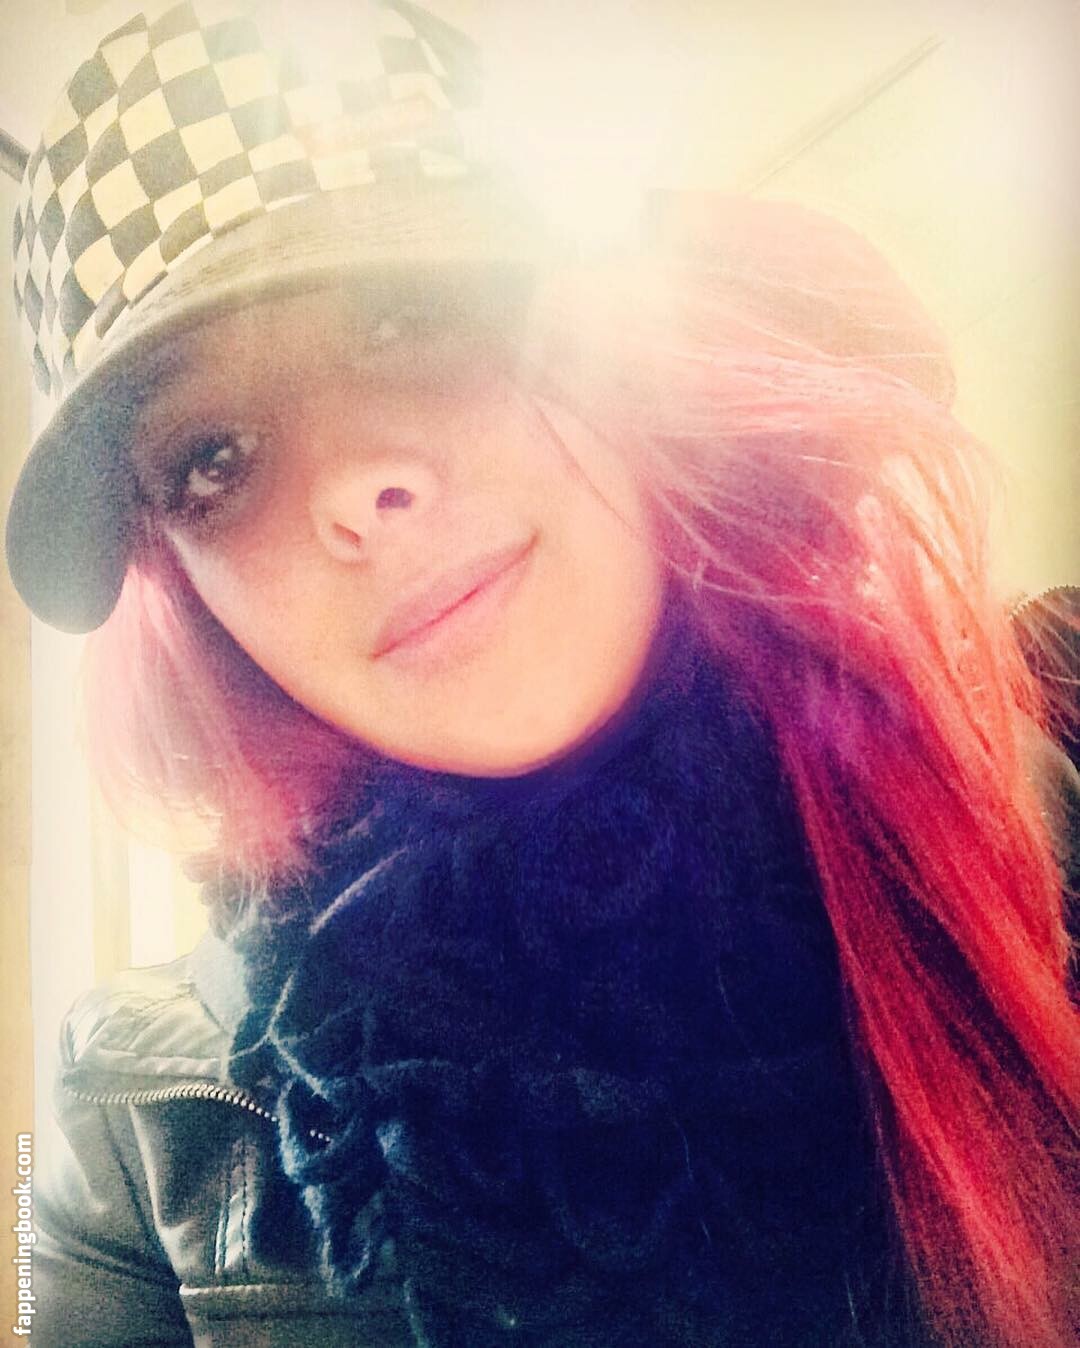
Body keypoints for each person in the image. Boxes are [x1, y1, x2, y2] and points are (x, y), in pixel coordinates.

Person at [5, 2, 1077, 1345]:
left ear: (598, 330)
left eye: (408, 313)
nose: (354, 489)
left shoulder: (1025, 815)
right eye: (211, 460)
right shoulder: (134, 1126)